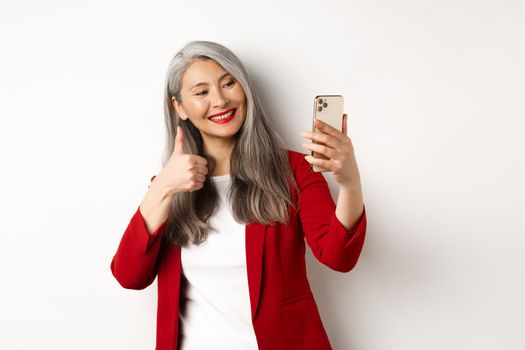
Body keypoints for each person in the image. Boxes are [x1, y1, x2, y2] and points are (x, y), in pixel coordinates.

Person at [110, 40, 367, 350]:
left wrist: (350, 182)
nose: (219, 100)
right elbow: (129, 276)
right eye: (201, 92)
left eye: (228, 83)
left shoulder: (295, 170)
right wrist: (162, 187)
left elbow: (338, 256)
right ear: (179, 107)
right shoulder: (169, 184)